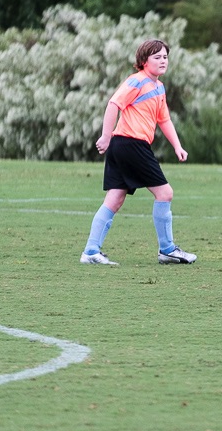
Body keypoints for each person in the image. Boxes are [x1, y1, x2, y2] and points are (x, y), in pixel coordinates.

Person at [81, 38, 197, 266]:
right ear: (144, 61)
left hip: (124, 146)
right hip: (130, 144)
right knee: (165, 193)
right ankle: (167, 250)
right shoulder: (137, 81)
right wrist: (105, 136)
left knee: (115, 198)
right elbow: (113, 104)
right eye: (157, 57)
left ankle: (91, 251)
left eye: (165, 57)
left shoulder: (159, 87)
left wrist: (177, 146)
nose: (163, 61)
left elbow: (164, 120)